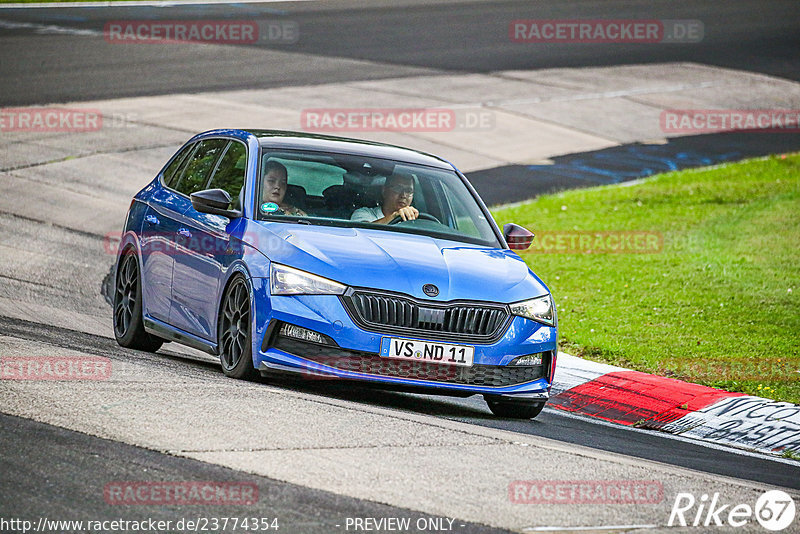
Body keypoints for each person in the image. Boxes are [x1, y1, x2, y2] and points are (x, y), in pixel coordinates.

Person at [351, 173, 418, 224]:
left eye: (408, 191)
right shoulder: (364, 213)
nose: (403, 195)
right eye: (398, 189)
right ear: (384, 191)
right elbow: (363, 231)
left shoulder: (415, 221)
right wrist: (395, 216)